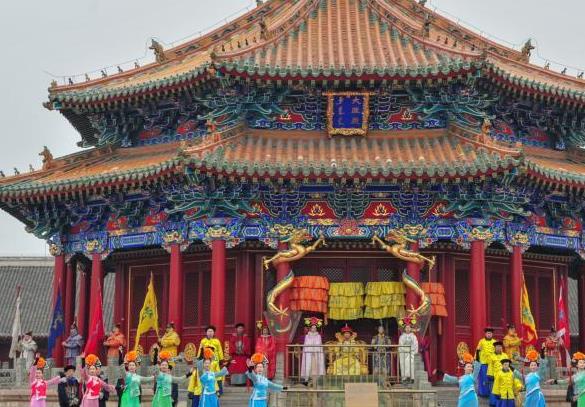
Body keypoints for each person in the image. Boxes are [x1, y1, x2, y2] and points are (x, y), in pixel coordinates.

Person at [196, 326, 224, 395]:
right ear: (206, 332)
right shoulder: (203, 341)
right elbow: (200, 350)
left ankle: (219, 390)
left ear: (214, 333)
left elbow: (220, 350)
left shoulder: (217, 341)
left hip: (215, 360)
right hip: (206, 361)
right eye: (208, 331)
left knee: (217, 375)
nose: (210, 333)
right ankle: (206, 388)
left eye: (211, 331)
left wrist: (221, 359)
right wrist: (199, 358)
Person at [300, 317, 325, 382]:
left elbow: (319, 345)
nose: (313, 329)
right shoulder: (307, 336)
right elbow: (306, 345)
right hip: (309, 353)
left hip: (316, 353)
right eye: (312, 328)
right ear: (310, 328)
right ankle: (308, 378)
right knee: (308, 364)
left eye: (315, 328)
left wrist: (315, 350)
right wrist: (310, 350)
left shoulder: (318, 336)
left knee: (316, 365)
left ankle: (316, 379)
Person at [476, 327, 496, 397]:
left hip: (491, 363)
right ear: (485, 334)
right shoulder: (481, 341)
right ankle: (483, 393)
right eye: (488, 333)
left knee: (491, 378)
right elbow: (478, 351)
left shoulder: (494, 342)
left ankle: (491, 392)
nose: (489, 334)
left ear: (492, 334)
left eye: (490, 333)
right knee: (483, 378)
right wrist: (477, 361)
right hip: (483, 363)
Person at [488, 342, 509, 407]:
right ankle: (493, 403)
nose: (499, 348)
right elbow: (490, 366)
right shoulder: (491, 356)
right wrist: (490, 375)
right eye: (497, 346)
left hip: (504, 375)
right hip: (495, 376)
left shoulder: (505, 355)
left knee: (502, 390)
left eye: (500, 346)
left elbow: (508, 365)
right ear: (495, 348)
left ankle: (501, 404)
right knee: (494, 390)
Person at [398, 317, 418, 383]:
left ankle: (412, 378)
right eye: (406, 328)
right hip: (404, 353)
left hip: (411, 352)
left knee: (411, 364)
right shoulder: (402, 336)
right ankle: (404, 378)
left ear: (411, 328)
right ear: (404, 329)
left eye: (409, 328)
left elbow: (415, 344)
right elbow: (401, 345)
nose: (408, 329)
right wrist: (405, 350)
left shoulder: (413, 336)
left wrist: (412, 351)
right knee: (404, 364)